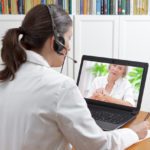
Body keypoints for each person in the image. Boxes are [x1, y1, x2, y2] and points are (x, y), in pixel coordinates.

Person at [0, 4, 149, 150]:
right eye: (69, 38)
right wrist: (134, 133)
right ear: (56, 42)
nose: (69, 46)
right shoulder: (61, 87)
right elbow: (99, 145)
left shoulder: (6, 77)